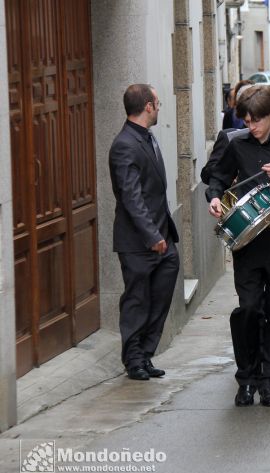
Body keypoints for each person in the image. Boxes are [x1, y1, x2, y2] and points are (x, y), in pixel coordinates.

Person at [205, 85, 270, 407]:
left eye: (255, 121)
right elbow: (215, 176)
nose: (250, 127)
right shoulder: (236, 144)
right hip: (248, 242)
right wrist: (213, 197)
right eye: (246, 121)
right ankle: (246, 377)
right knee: (249, 309)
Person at [109, 84, 180, 381]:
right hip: (139, 243)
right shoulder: (124, 144)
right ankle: (134, 360)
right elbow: (131, 197)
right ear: (148, 106)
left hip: (165, 239)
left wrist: (164, 237)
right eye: (158, 103)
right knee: (137, 302)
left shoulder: (147, 138)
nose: (159, 107)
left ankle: (146, 354)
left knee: (160, 298)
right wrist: (152, 236)